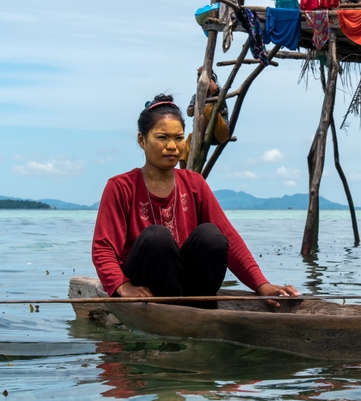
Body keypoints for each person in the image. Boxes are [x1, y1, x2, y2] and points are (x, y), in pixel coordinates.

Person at [92, 94, 298, 307]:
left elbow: (229, 237)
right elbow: (103, 248)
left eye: (178, 138)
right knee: (157, 238)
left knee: (211, 236)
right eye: (162, 137)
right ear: (142, 140)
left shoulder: (194, 183)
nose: (172, 146)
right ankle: (169, 312)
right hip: (145, 286)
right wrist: (122, 285)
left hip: (190, 287)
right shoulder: (121, 187)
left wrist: (261, 284)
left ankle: (199, 308)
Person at [179, 69, 230, 169]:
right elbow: (189, 112)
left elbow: (214, 89)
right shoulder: (196, 97)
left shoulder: (216, 93)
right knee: (189, 140)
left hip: (220, 131)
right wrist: (197, 105)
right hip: (205, 132)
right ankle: (183, 172)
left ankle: (200, 137)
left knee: (209, 107)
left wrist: (205, 73)